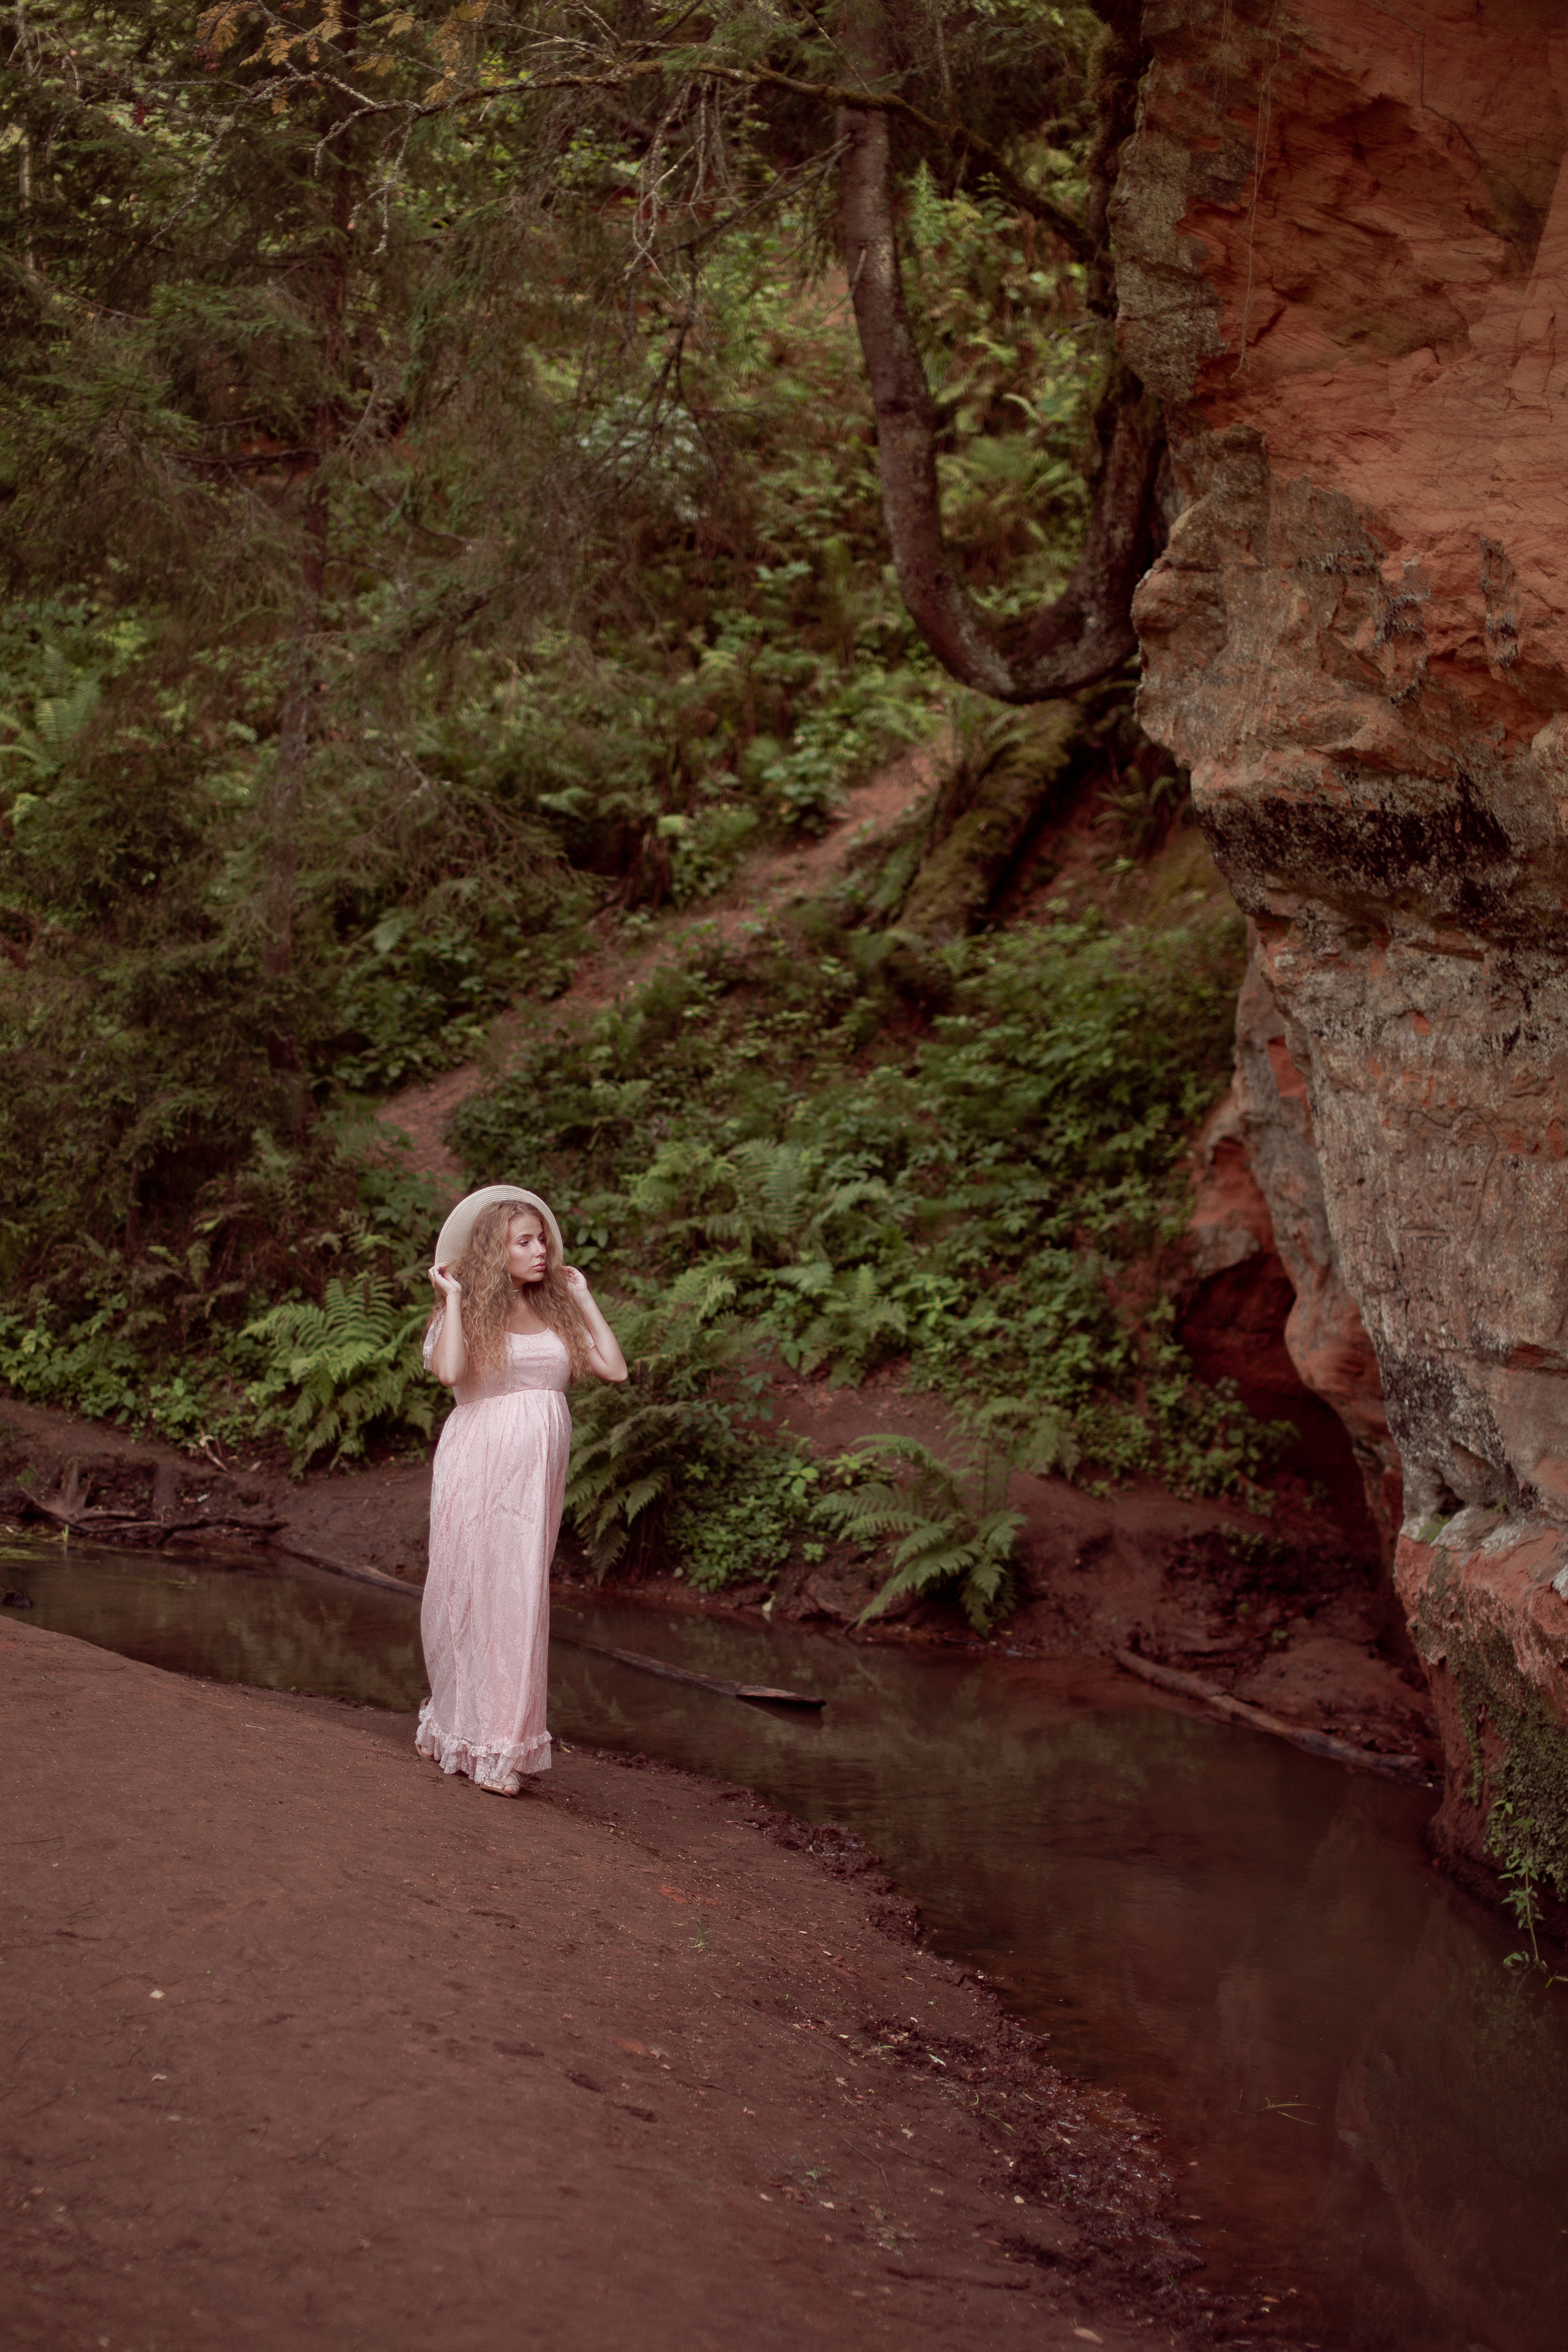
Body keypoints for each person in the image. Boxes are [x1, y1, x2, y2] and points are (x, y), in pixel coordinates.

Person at [418, 1184, 627, 1796]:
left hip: (534, 1481)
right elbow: (451, 1374)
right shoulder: (462, 1313)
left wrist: (583, 1297)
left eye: (542, 1240)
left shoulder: (555, 1310)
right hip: (477, 1467)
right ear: (495, 1251)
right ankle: (470, 1735)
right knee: (470, 1592)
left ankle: (502, 1741)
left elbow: (614, 1369)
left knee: (520, 1599)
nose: (541, 1251)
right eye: (525, 1242)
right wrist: (453, 1299)